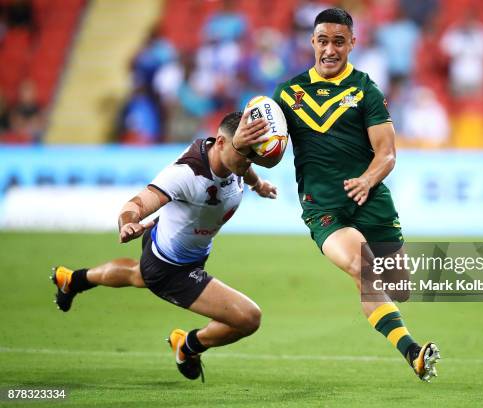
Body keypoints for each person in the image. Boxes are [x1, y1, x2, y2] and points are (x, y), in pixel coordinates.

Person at [272, 8, 440, 381]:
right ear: (312, 42)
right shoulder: (288, 94)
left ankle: (396, 320)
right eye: (323, 41)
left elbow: (388, 153)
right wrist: (248, 149)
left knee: (398, 287)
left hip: (371, 201)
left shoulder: (365, 89)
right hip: (324, 209)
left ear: (352, 43)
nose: (329, 49)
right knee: (360, 267)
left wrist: (366, 179)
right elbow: (270, 154)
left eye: (338, 41)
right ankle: (411, 351)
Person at [51, 111, 277, 382]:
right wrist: (128, 222)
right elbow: (135, 205)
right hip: (173, 269)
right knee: (248, 318)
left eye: (253, 155)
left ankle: (72, 279)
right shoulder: (185, 174)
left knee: (138, 274)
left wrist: (258, 184)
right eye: (245, 154)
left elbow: (242, 166)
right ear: (220, 142)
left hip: (170, 239)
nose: (249, 161)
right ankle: (189, 345)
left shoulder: (232, 157)